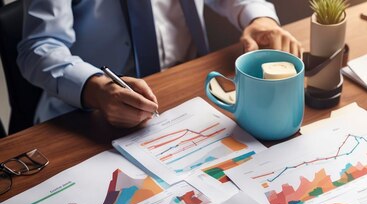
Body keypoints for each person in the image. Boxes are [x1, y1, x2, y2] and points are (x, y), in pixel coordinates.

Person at [17, 0, 302, 128]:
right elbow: (38, 47)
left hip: (190, 95)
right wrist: (96, 90)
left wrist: (258, 17)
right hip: (91, 112)